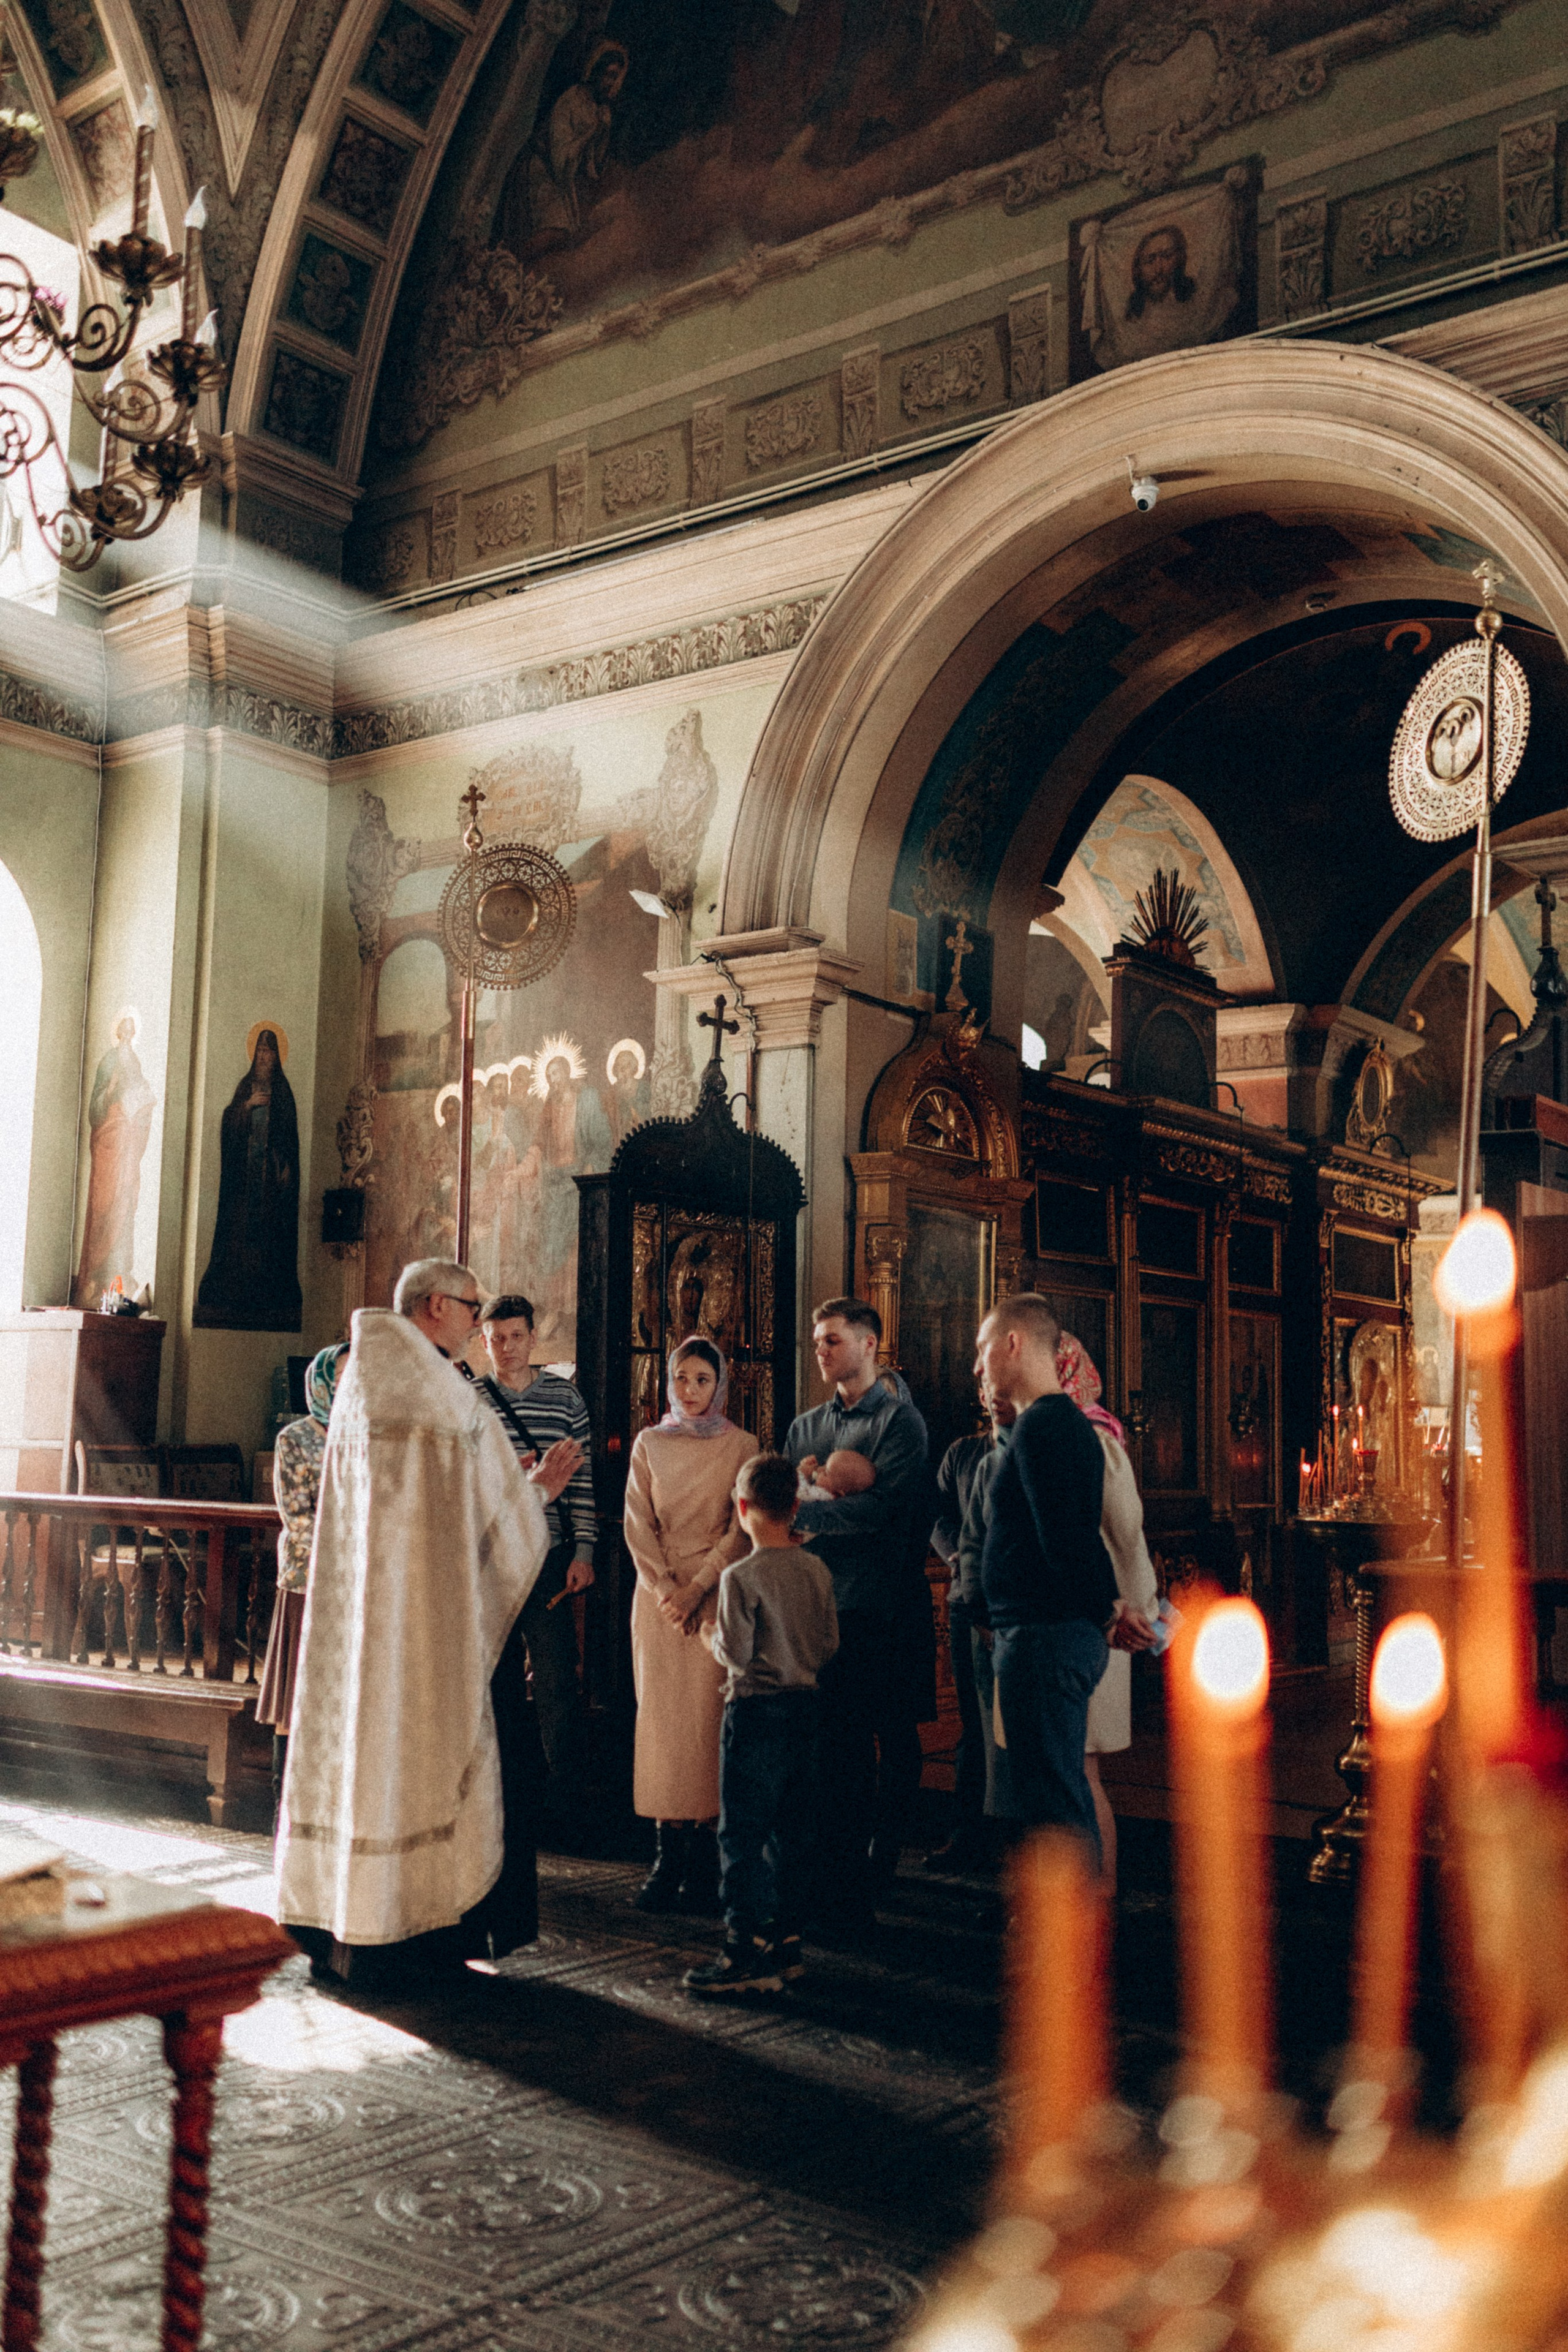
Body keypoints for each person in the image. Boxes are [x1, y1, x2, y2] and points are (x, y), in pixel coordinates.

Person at [276, 1259, 582, 1982]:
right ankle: (416, 1933)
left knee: (363, 1758)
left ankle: (347, 1927)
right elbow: (482, 1519)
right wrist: (535, 1495)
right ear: (437, 1305)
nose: (479, 1322)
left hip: (365, 1623)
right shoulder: (435, 1392)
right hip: (422, 1630)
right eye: (472, 1306)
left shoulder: (364, 1383)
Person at [787, 1298, 928, 1931]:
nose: (822, 1350)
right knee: (830, 1747)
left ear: (870, 1344)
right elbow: (785, 1498)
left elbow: (885, 1516)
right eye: (818, 1340)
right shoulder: (804, 1429)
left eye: (834, 1340)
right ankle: (832, 1871)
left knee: (886, 1733)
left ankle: (882, 1861)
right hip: (816, 1605)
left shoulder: (900, 1425)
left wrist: (808, 1518)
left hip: (879, 1603)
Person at [684, 1453, 839, 1997]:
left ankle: (741, 1948)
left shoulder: (739, 1576)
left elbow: (736, 1653)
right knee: (794, 1832)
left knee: (743, 1834)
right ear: (796, 1506)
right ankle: (788, 1945)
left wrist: (706, 1636)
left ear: (742, 1509)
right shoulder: (817, 1570)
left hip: (754, 1714)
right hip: (806, 1711)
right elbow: (827, 1645)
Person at [975, 1292, 1118, 1865]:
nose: (981, 1366)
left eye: (985, 1350)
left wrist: (1108, 1609)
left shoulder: (1044, 1427)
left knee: (1054, 1800)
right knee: (1054, 1790)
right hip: (1047, 1633)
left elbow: (1069, 1537)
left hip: (1044, 1637)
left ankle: (1073, 1935)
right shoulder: (1059, 1424)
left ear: (1014, 1343)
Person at [623, 1337, 758, 1912]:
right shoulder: (649, 1442)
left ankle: (705, 1861)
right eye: (682, 1378)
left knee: (707, 1725)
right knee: (661, 1724)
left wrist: (698, 1587)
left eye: (703, 1379)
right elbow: (636, 1522)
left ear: (720, 1384)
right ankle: (664, 1856)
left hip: (714, 1593)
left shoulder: (743, 1445)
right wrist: (664, 1591)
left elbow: (739, 1525)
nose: (691, 1390)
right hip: (658, 1602)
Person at [467, 1293, 597, 1841]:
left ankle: (565, 1805)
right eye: (497, 1339)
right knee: (493, 1683)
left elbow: (584, 1483)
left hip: (550, 1555)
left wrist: (585, 1552)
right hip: (491, 1557)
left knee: (554, 1683)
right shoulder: (470, 1400)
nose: (507, 1348)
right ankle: (502, 1801)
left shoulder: (565, 1399)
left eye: (516, 1337)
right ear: (484, 1341)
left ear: (533, 1338)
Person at [1054, 1333, 1159, 1893]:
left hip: (1098, 1624)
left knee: (1080, 1769)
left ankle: (1099, 1890)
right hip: (1068, 1623)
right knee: (1061, 1771)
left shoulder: (1094, 1440)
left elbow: (1125, 1533)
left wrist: (1137, 1611)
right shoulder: (1045, 1434)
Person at [258, 1341, 349, 1820]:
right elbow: (298, 1515)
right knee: (295, 1704)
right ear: (324, 1380)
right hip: (308, 1581)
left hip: (358, 1588)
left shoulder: (367, 1435)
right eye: (344, 1376)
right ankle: (284, 1810)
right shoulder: (296, 1437)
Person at [926, 1397, 995, 1872]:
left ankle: (1010, 1840)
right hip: (965, 1600)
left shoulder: (1030, 1450)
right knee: (973, 1726)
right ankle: (968, 1834)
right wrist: (954, 1555)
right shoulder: (962, 1454)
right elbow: (938, 1517)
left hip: (1015, 1606)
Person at [194, 1027, 301, 1330]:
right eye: (261, 1051)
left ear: (277, 1056)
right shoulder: (246, 1086)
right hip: (244, 1181)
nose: (265, 1057)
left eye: (270, 1052)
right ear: (254, 1054)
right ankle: (235, 1291)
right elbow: (229, 1124)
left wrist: (286, 1167)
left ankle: (266, 1294)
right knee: (240, 1232)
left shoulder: (283, 1090)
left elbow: (290, 1139)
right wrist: (247, 1107)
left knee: (268, 1235)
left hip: (269, 1183)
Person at [796, 1449, 876, 1504]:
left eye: (826, 1473)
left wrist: (801, 1474)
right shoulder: (824, 1492)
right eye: (824, 1465)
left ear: (838, 1493)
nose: (819, 1469)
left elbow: (800, 1494)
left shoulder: (825, 1496)